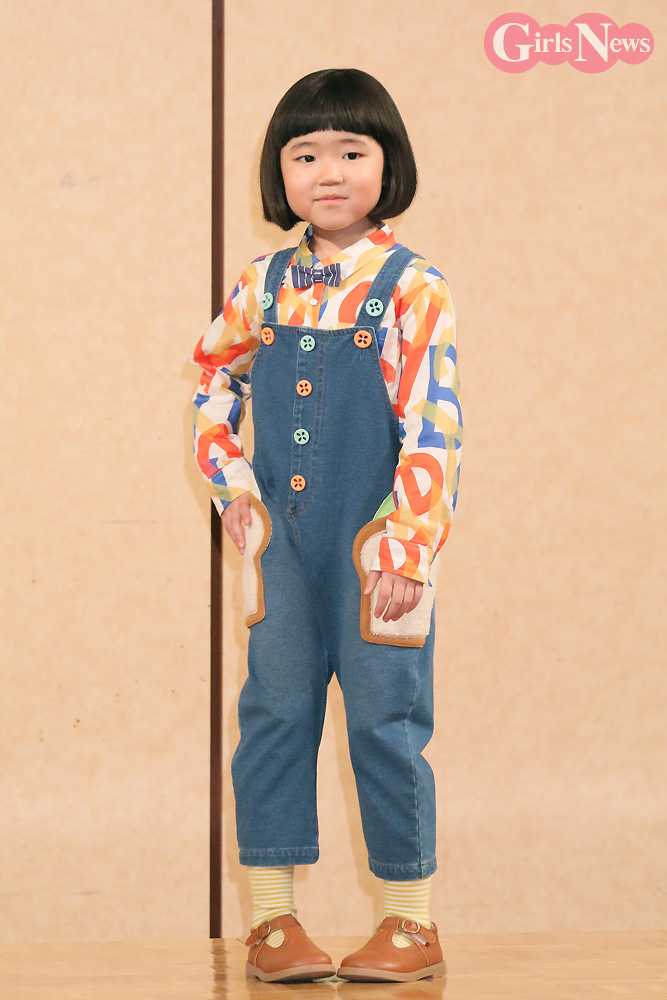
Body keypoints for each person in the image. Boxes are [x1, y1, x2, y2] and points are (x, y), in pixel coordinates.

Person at [190, 67, 462, 983]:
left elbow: (433, 422)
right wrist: (233, 489)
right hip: (281, 548)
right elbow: (211, 382)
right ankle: (272, 922)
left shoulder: (413, 285)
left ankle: (410, 921)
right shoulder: (260, 285)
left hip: (377, 546)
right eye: (304, 155)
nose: (329, 172)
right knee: (273, 713)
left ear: (388, 164)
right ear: (280, 172)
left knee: (386, 719)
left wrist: (406, 546)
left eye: (351, 151)